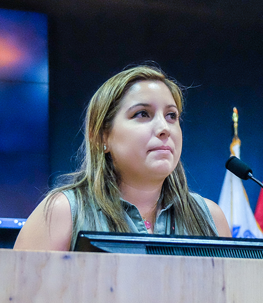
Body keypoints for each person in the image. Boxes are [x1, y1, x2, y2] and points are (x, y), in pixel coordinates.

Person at [14, 65, 231, 251]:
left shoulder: (210, 218)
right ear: (101, 136)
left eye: (171, 116)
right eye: (142, 114)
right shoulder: (62, 212)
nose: (164, 128)